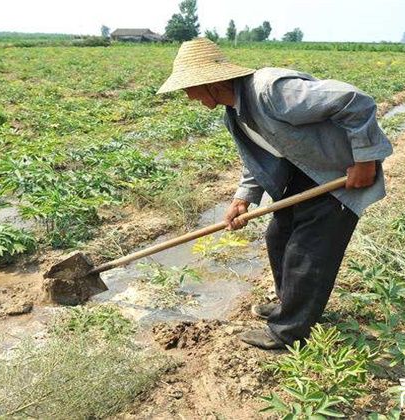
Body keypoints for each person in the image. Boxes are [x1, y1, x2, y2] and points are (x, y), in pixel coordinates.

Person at [157, 38, 392, 350]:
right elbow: (261, 157)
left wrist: (365, 160)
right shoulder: (235, 111)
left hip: (338, 175)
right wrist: (243, 198)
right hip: (304, 172)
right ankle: (291, 306)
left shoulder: (271, 90)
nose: (187, 96)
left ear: (211, 82)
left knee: (307, 252)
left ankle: (288, 332)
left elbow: (355, 101)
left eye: (189, 87)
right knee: (278, 238)